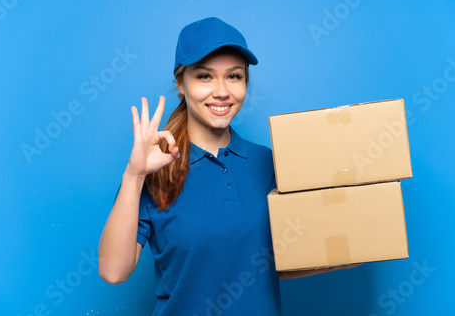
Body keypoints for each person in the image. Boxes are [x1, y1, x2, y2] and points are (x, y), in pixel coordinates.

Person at [98, 17, 356, 315]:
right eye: (205, 76)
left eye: (234, 76)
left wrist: (356, 248)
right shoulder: (153, 170)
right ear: (180, 84)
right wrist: (134, 175)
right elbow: (113, 271)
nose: (222, 91)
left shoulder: (268, 163)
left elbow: (280, 265)